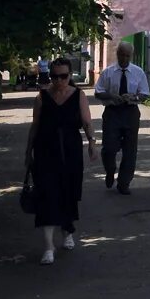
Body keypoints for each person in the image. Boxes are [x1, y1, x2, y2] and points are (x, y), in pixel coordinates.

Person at [25, 57, 96, 264]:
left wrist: (92, 143)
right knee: (47, 194)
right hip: (45, 151)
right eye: (54, 76)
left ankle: (67, 230)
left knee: (68, 192)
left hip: (71, 151)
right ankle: (48, 247)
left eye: (63, 76)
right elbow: (35, 125)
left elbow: (87, 122)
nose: (59, 81)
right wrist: (28, 152)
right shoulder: (42, 97)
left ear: (70, 75)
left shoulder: (78, 95)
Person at [94, 41, 149, 195]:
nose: (124, 59)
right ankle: (110, 170)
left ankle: (124, 183)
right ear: (117, 54)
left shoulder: (138, 72)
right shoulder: (108, 72)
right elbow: (98, 92)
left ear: (131, 56)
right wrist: (112, 96)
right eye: (121, 55)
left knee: (130, 151)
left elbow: (145, 93)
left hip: (130, 113)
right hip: (112, 113)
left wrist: (134, 97)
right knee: (109, 148)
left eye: (127, 56)